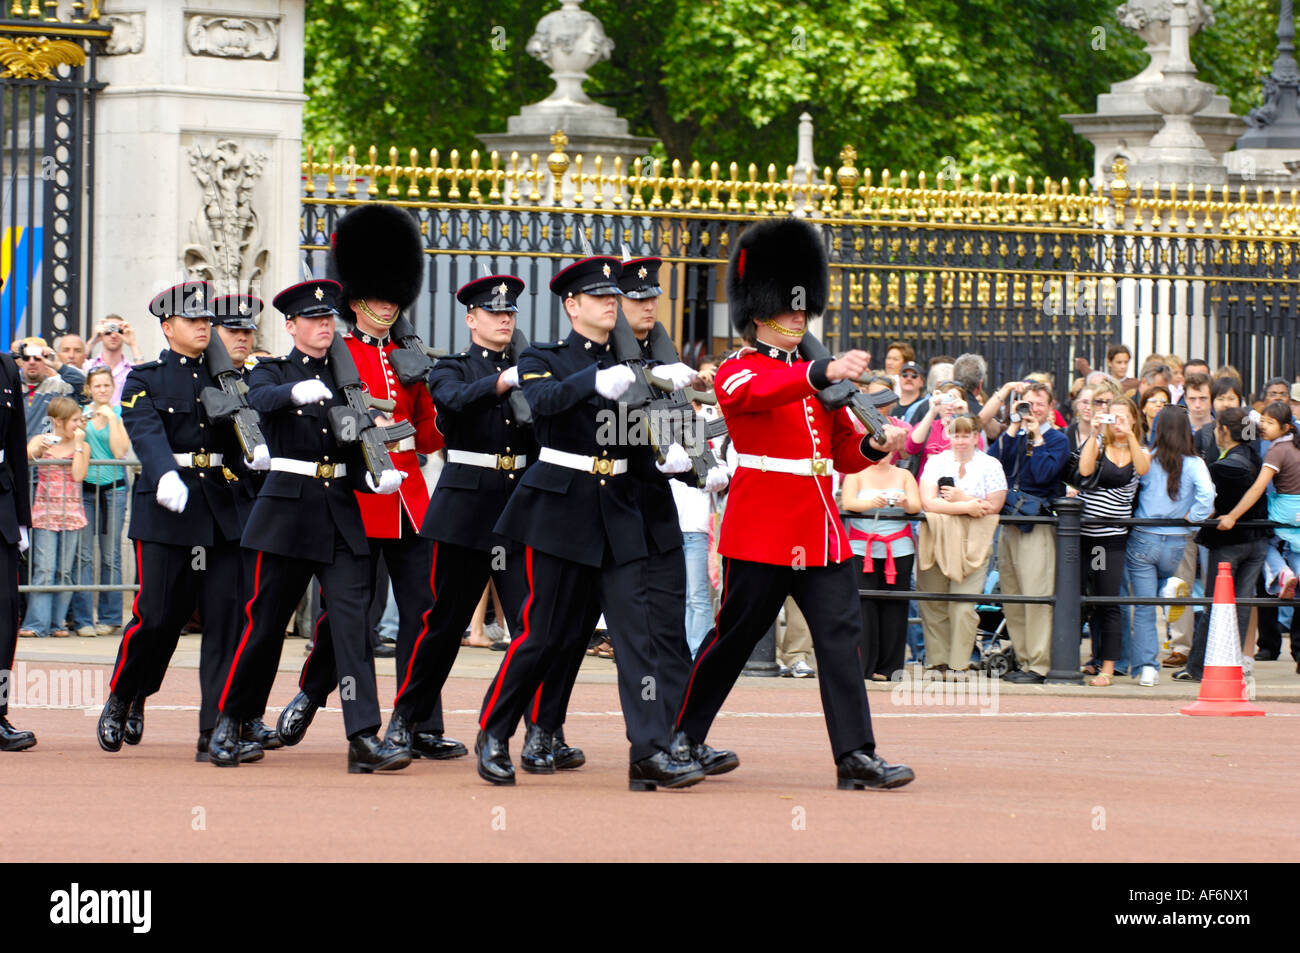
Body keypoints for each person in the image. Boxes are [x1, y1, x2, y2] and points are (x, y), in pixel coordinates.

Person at [674, 216, 914, 791]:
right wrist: (819, 372)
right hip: (762, 528)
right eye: (790, 307)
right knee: (732, 638)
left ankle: (855, 755)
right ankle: (684, 736)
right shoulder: (738, 369)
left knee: (840, 634)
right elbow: (759, 393)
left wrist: (875, 443)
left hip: (820, 527)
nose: (801, 316)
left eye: (804, 307)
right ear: (760, 312)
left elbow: (837, 454)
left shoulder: (817, 382)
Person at [475, 254, 710, 790]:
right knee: (541, 636)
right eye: (600, 298)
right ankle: (494, 729)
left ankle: (649, 750)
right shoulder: (544, 356)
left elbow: (657, 428)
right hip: (560, 509)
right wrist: (600, 379)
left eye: (614, 297)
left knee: (637, 637)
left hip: (622, 509)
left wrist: (688, 456)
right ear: (572, 305)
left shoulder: (641, 360)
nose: (612, 305)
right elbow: (544, 402)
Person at [277, 203, 460, 762]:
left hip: (410, 498)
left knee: (424, 612)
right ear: (355, 298)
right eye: (377, 296)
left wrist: (425, 386)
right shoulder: (335, 353)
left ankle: (420, 722)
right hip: (357, 497)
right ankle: (318, 695)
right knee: (350, 617)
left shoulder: (409, 353)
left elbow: (429, 441)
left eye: (393, 296)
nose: (387, 305)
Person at [210, 278, 409, 772]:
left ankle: (363, 737)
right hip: (286, 512)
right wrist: (294, 391)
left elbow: (353, 447)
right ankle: (230, 720)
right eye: (314, 320)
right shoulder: (270, 370)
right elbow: (257, 401)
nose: (324, 327)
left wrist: (375, 478)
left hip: (340, 512)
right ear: (291, 325)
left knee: (353, 627)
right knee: (264, 627)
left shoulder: (348, 383)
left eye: (328, 319)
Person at [95, 281, 267, 764]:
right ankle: (125, 693)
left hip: (218, 509)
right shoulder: (144, 378)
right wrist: (165, 471)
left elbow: (237, 435)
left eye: (206, 321)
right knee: (158, 618)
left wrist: (253, 453)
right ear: (168, 327)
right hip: (167, 511)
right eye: (192, 321)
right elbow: (145, 431)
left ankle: (216, 732)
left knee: (225, 624)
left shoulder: (228, 380)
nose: (203, 328)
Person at [1123, 405, 1215, 686]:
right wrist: (1194, 518)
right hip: (1177, 538)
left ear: (1157, 430)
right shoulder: (1195, 462)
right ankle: (1169, 588)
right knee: (1169, 583)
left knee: (1144, 606)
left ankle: (1148, 668)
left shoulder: (1147, 458)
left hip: (1145, 536)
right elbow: (1208, 495)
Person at [985, 379, 1070, 682]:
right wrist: (1012, 427)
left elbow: (1045, 474)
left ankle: (1038, 664)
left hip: (1037, 525)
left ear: (1050, 409)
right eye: (1027, 403)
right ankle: (1022, 659)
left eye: (1039, 405)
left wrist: (1036, 436)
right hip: (1010, 523)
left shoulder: (1058, 439)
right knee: (1013, 596)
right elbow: (993, 464)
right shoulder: (1015, 435)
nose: (1032, 409)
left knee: (1035, 596)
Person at [1176, 408, 1268, 682]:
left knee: (1215, 605)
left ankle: (1198, 667)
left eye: (1217, 427)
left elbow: (1210, 501)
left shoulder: (1223, 466)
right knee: (1239, 606)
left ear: (1224, 431)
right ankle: (1231, 664)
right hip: (1258, 540)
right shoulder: (1254, 455)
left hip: (1229, 543)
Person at [916, 414, 1006, 675]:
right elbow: (929, 502)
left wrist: (961, 498)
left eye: (966, 434)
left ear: (976, 436)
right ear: (948, 435)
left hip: (974, 540)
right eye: (956, 434)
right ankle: (937, 661)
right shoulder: (936, 462)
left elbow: (995, 505)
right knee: (933, 602)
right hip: (938, 535)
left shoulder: (990, 464)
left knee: (964, 605)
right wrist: (968, 506)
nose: (961, 440)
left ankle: (959, 664)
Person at [1076, 397, 1147, 686]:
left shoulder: (1140, 450)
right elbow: (1084, 470)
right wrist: (1095, 432)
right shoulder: (1098, 444)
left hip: (1111, 540)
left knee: (1108, 600)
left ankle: (1108, 666)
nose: (1117, 422)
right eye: (1112, 417)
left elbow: (1142, 469)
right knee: (1077, 599)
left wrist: (1128, 435)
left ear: (1133, 419)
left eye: (1123, 416)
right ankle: (1071, 660)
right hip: (1084, 537)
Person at [842, 445, 921, 681]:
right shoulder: (856, 473)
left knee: (895, 607)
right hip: (862, 548)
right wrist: (870, 503)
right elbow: (848, 503)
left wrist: (905, 502)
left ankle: (891, 667)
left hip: (898, 549)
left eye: (887, 450)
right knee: (864, 606)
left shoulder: (904, 475)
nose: (882, 455)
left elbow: (916, 507)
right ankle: (865, 665)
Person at [66, 368, 130, 638]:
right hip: (85, 488)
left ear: (113, 387)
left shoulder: (118, 414)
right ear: (89, 389)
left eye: (107, 385)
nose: (102, 390)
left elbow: (119, 451)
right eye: (97, 386)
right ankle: (83, 619)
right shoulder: (81, 413)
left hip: (113, 489)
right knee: (83, 556)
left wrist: (112, 421)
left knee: (111, 556)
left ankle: (110, 617)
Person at [18, 397, 88, 639]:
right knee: (44, 569)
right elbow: (26, 455)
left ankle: (57, 623)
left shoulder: (83, 445)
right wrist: (40, 447)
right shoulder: (42, 440)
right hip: (45, 515)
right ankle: (37, 623)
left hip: (72, 515)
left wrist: (79, 444)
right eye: (75, 420)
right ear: (59, 421)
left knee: (64, 572)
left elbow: (79, 475)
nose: (80, 424)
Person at [0, 335, 33, 751]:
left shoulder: (7, 367)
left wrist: (23, 519)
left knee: (4, 617)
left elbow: (16, 448)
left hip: (1, 504)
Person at [905, 380, 973, 476]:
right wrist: (932, 411)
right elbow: (910, 447)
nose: (949, 406)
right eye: (946, 400)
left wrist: (965, 414)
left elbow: (976, 453)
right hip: (925, 486)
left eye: (954, 400)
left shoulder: (970, 430)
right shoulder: (929, 426)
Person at [16, 336, 76, 434]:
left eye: (37, 357)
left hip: (46, 448)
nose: (32, 362)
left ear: (46, 359)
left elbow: (84, 390)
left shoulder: (58, 387)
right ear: (21, 361)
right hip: (15, 449)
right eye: (26, 357)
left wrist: (58, 365)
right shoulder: (9, 385)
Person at [84, 315, 143, 405]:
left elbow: (144, 379)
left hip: (122, 418)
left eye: (119, 330)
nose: (113, 335)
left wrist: (133, 344)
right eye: (108, 331)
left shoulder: (131, 369)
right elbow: (76, 363)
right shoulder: (90, 365)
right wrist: (94, 339)